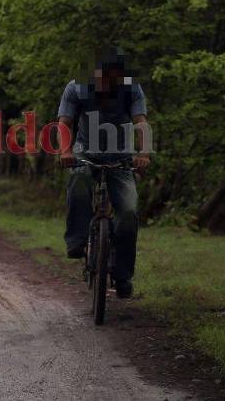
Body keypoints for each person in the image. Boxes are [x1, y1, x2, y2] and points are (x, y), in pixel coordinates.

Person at [56, 47, 151, 299]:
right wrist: (65, 151)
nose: (107, 81)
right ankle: (77, 241)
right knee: (78, 180)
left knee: (128, 212)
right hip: (85, 153)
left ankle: (123, 275)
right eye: (103, 75)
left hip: (121, 157)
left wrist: (143, 154)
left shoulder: (132, 88)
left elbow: (141, 122)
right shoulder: (76, 87)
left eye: (113, 77)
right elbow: (64, 123)